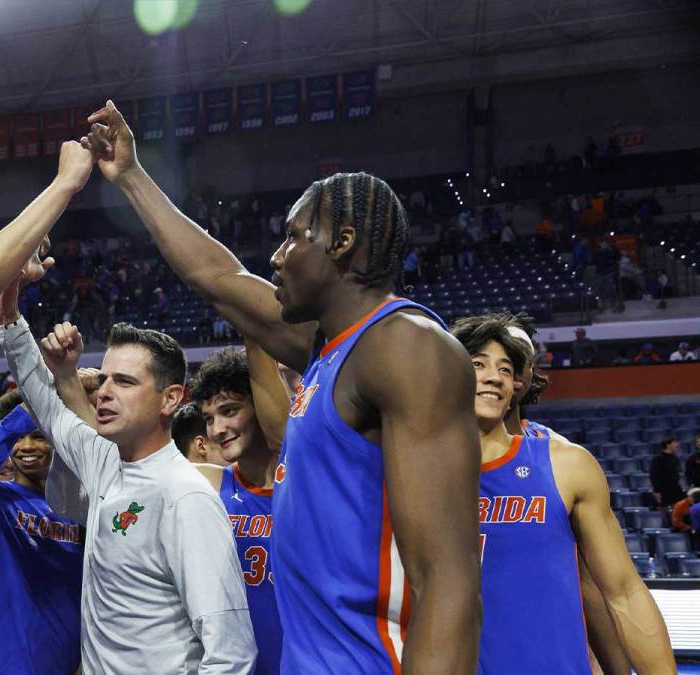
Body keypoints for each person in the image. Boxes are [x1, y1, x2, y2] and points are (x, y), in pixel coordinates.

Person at [82, 100, 481, 672]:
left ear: (341, 243)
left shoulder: (406, 346)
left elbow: (449, 577)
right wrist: (132, 177)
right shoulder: (330, 348)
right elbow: (217, 278)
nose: (277, 256)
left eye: (294, 238)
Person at [0, 292, 256, 672]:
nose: (103, 392)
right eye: (104, 379)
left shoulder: (185, 497)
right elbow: (47, 407)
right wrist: (9, 316)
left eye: (124, 382)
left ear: (170, 399)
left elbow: (231, 652)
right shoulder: (105, 459)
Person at [449, 314, 674, 673]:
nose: (493, 376)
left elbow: (621, 593)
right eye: (477, 364)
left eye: (506, 369)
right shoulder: (413, 474)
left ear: (518, 384)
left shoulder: (564, 463)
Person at [186, 342, 290, 675]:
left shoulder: (308, 483)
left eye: (229, 411)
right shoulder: (208, 483)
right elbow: (124, 469)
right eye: (208, 418)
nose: (216, 429)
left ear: (260, 404)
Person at [0, 390, 84, 675]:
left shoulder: (82, 508)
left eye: (39, 436)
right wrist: (21, 416)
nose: (26, 446)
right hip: (7, 665)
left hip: (72, 663)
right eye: (19, 438)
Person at [651, 437, 686, 507]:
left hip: (675, 487)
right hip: (662, 489)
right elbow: (654, 476)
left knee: (681, 506)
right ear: (668, 445)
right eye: (675, 443)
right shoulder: (658, 459)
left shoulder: (675, 458)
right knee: (663, 509)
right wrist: (657, 491)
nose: (677, 445)